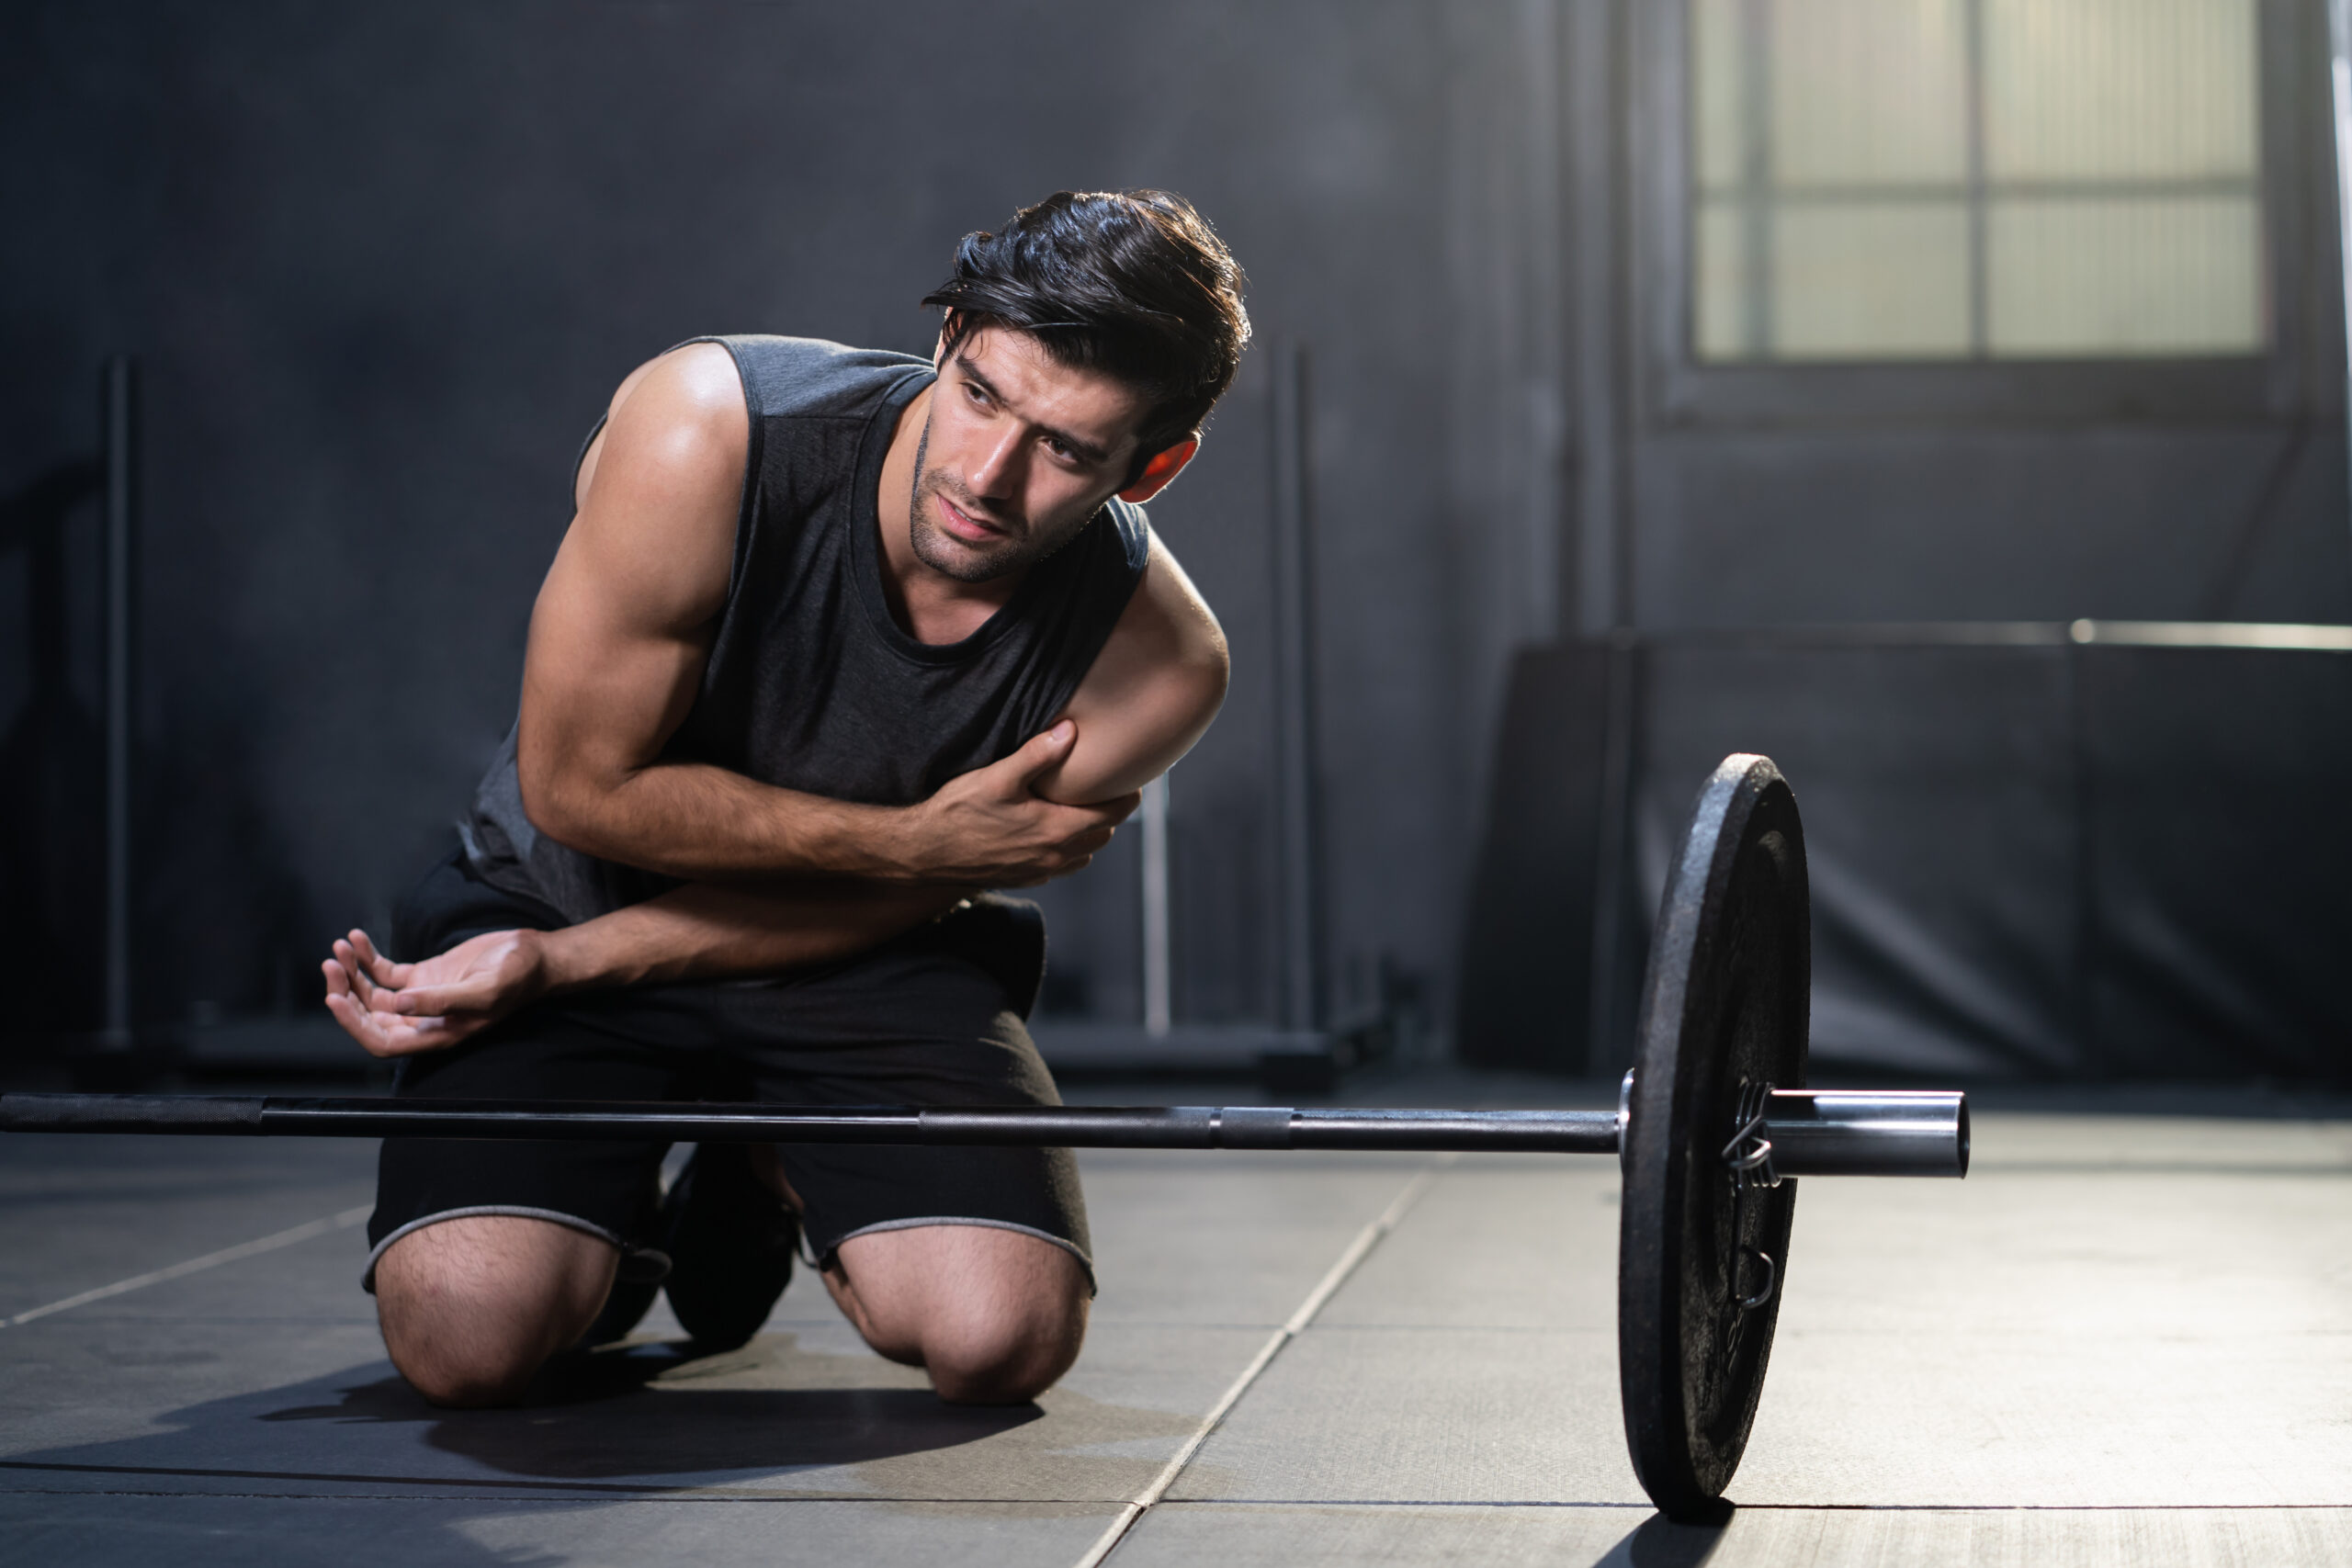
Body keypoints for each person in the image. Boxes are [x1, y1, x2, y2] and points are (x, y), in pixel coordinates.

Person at [318, 189, 1246, 1409]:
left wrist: (909, 874)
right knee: (467, 1344)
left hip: (849, 948)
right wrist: (915, 842)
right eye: (979, 395)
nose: (985, 473)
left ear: (1155, 466)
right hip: (556, 894)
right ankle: (619, 1217)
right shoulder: (708, 426)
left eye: (1067, 449)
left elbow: (895, 900)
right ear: (949, 337)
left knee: (999, 1342)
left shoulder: (1154, 662)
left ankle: (761, 1166)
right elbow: (579, 791)